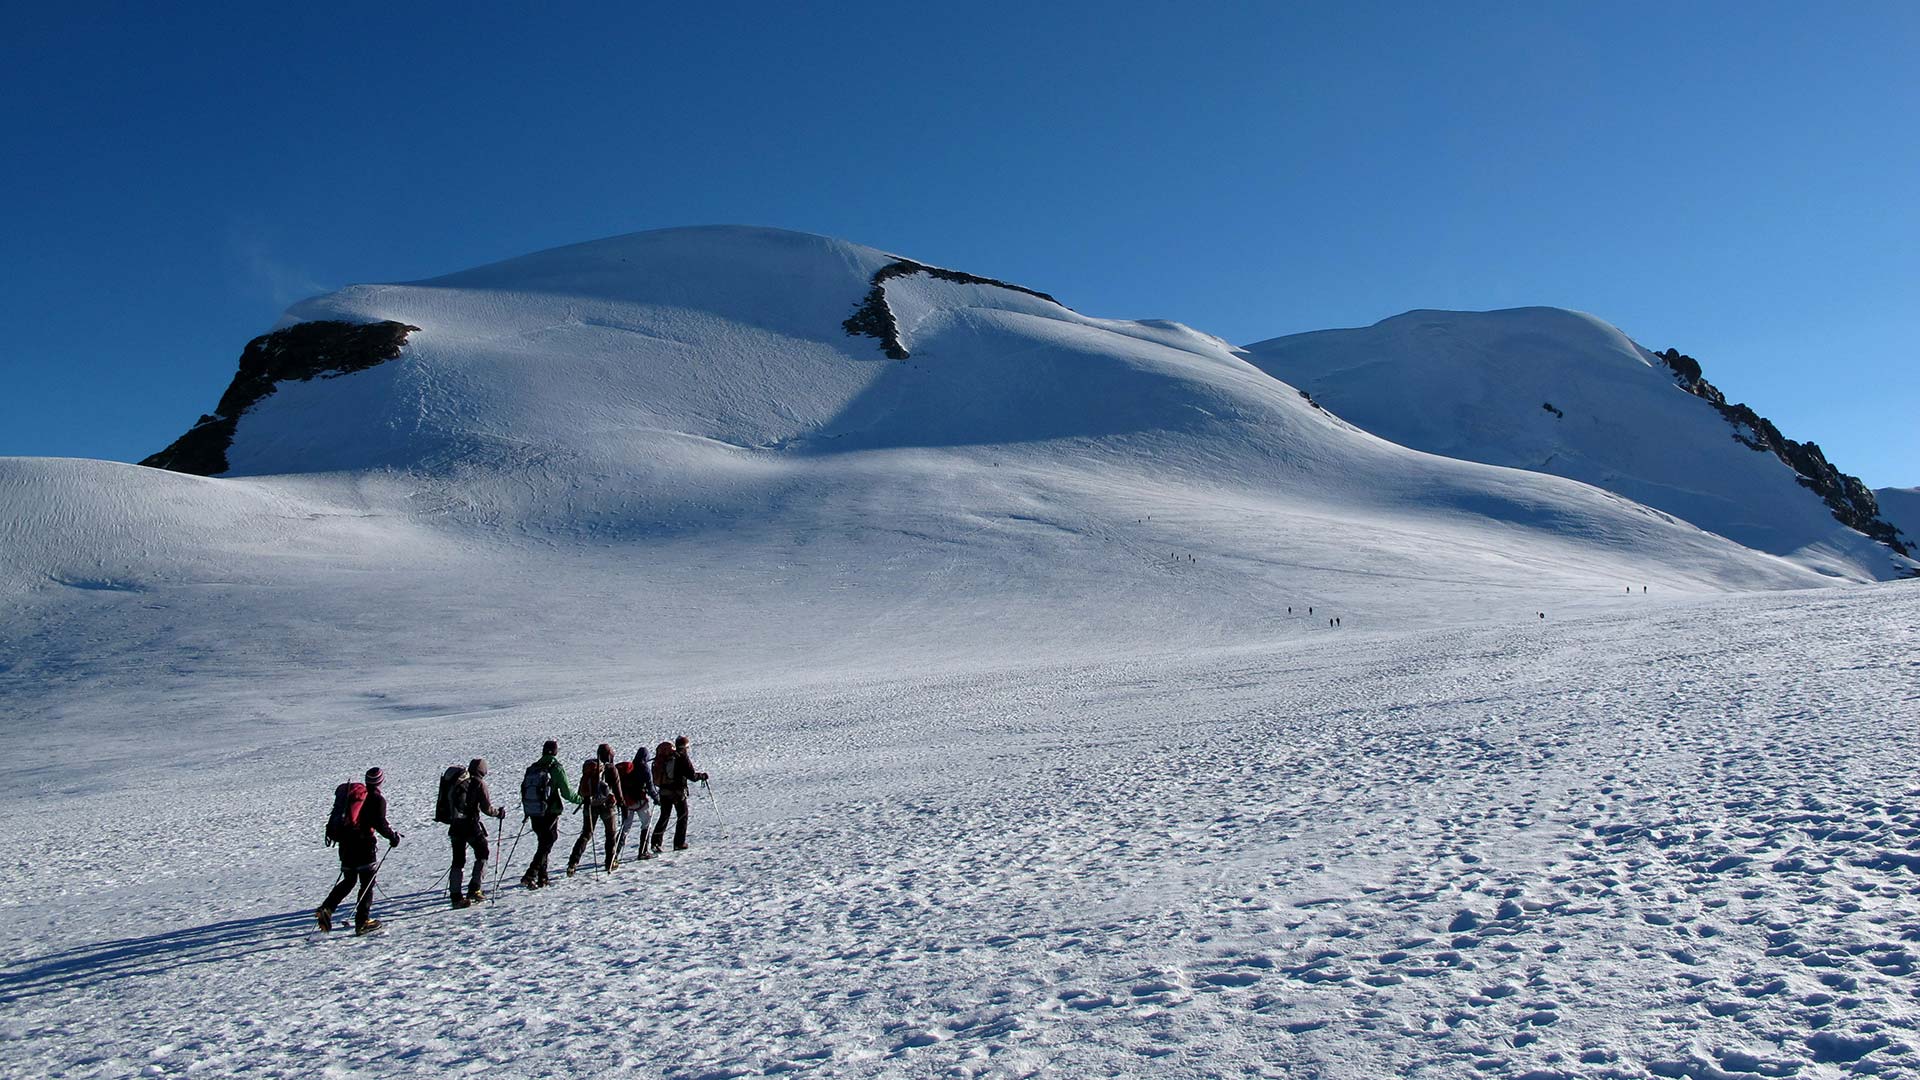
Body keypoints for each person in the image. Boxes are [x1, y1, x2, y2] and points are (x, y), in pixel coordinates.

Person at [316, 766, 401, 935]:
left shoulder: (354, 796)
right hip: (364, 845)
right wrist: (393, 837)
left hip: (346, 844)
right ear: (380, 781)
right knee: (367, 883)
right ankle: (362, 922)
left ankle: (327, 907)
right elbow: (380, 823)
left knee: (349, 880)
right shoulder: (376, 799)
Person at [520, 740, 581, 890]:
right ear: (555, 752)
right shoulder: (555, 768)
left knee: (543, 842)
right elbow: (567, 792)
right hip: (550, 811)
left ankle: (543, 877)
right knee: (548, 841)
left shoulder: (533, 768)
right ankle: (531, 874)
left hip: (534, 811)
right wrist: (581, 799)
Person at [449, 758, 507, 908]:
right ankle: (475, 888)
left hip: (455, 825)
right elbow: (487, 808)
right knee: (483, 852)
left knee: (458, 860)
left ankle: (455, 896)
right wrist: (498, 813)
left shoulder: (459, 781)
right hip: (470, 825)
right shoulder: (479, 783)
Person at [568, 743, 623, 875]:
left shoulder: (590, 768)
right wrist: (622, 804)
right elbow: (617, 790)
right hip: (607, 806)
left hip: (590, 805)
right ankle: (610, 862)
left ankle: (573, 863)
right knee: (610, 834)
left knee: (586, 833)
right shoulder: (611, 769)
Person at [651, 735, 710, 852]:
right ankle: (679, 843)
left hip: (664, 791)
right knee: (682, 815)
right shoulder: (683, 757)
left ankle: (656, 842)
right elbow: (692, 776)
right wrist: (702, 776)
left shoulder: (667, 756)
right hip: (677, 792)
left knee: (664, 816)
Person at [614, 743, 660, 862]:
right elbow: (650, 787)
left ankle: (614, 854)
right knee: (646, 824)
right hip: (640, 802)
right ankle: (643, 851)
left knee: (625, 828)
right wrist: (656, 798)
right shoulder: (644, 768)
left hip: (627, 802)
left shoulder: (631, 767)